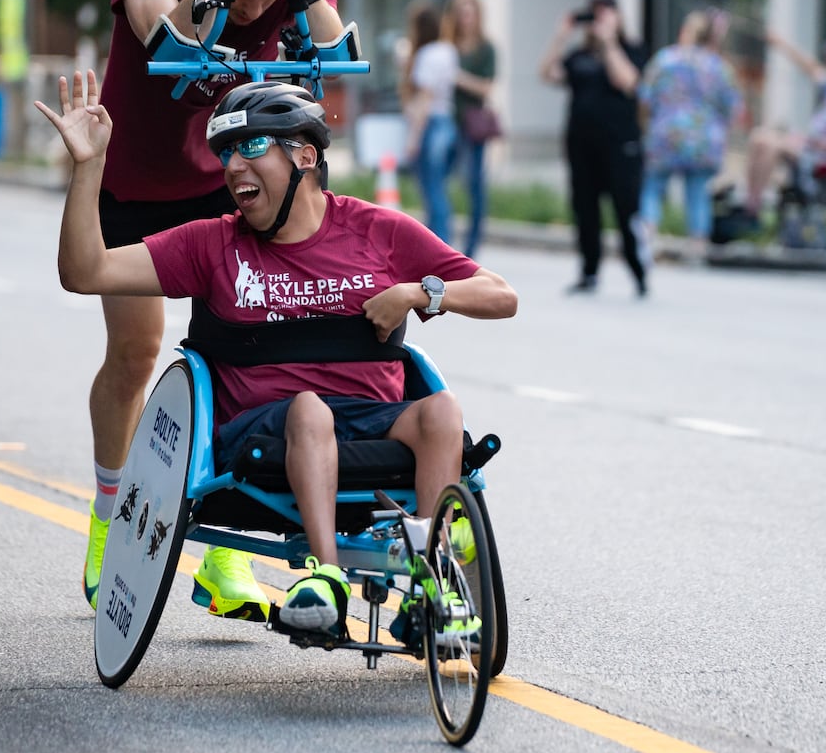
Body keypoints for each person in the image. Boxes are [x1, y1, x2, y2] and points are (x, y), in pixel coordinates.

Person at [35, 72, 518, 635]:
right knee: (309, 409)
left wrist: (421, 291)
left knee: (442, 410)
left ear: (305, 156)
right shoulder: (210, 243)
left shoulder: (379, 231)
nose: (234, 165)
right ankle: (325, 577)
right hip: (260, 437)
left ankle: (429, 586)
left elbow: (501, 296)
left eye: (253, 145)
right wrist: (89, 167)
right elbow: (85, 272)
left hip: (368, 425)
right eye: (226, 153)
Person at [73, 0, 346, 624]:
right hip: (134, 181)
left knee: (245, 351)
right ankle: (108, 520)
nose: (258, 13)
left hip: (231, 178)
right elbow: (167, 47)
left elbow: (337, 67)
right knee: (136, 353)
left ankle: (227, 550)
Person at [539, 0, 650, 296]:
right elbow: (547, 73)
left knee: (626, 209)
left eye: (604, 14)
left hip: (620, 144)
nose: (598, 22)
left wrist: (609, 43)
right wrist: (561, 36)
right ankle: (589, 272)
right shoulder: (578, 55)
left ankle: (638, 272)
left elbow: (627, 82)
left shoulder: (631, 49)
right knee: (585, 209)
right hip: (582, 144)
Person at [637, 10, 743, 261]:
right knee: (697, 193)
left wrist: (647, 124)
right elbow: (734, 109)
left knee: (653, 188)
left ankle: (646, 235)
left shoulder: (665, 59)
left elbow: (644, 97)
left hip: (666, 134)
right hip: (704, 140)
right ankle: (697, 247)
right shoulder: (718, 67)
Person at [743, 33, 826, 219]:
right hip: (809, 146)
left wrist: (820, 143)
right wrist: (781, 43)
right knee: (759, 137)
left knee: (771, 145)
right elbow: (809, 66)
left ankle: (753, 210)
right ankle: (751, 203)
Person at [399, 0, 459, 243]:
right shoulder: (448, 51)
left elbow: (424, 98)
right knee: (439, 187)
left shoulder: (426, 54)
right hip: (447, 121)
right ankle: (442, 240)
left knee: (431, 189)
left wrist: (413, 137)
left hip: (430, 124)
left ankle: (439, 242)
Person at [444, 0, 498, 258]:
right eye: (461, 13)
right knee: (438, 181)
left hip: (471, 124)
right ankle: (442, 240)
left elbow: (486, 88)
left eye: (470, 12)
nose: (465, 18)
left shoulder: (485, 48)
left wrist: (456, 76)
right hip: (444, 121)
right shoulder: (446, 45)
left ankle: (471, 247)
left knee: (475, 185)